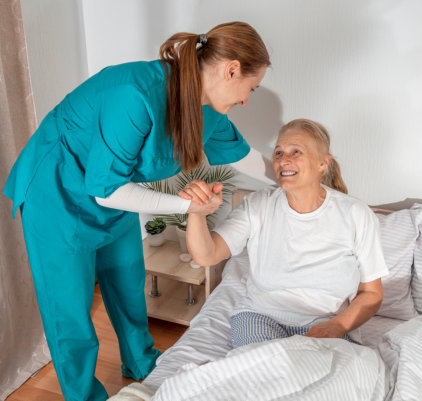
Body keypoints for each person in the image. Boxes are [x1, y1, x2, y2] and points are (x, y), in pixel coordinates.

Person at [3, 22, 270, 401]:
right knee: (70, 313)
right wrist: (187, 205)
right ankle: (83, 395)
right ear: (231, 70)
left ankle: (142, 364)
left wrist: (314, 183)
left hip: (111, 192)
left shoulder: (208, 110)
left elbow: (247, 158)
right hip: (57, 191)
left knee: (128, 283)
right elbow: (107, 190)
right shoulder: (135, 93)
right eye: (251, 88)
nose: (247, 100)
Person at [180, 118, 388, 348]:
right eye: (278, 153)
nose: (283, 160)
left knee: (339, 377)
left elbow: (371, 293)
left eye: (296, 151)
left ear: (323, 163)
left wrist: (337, 326)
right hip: (260, 316)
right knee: (263, 370)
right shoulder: (257, 205)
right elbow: (206, 256)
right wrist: (197, 211)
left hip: (327, 323)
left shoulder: (355, 214)